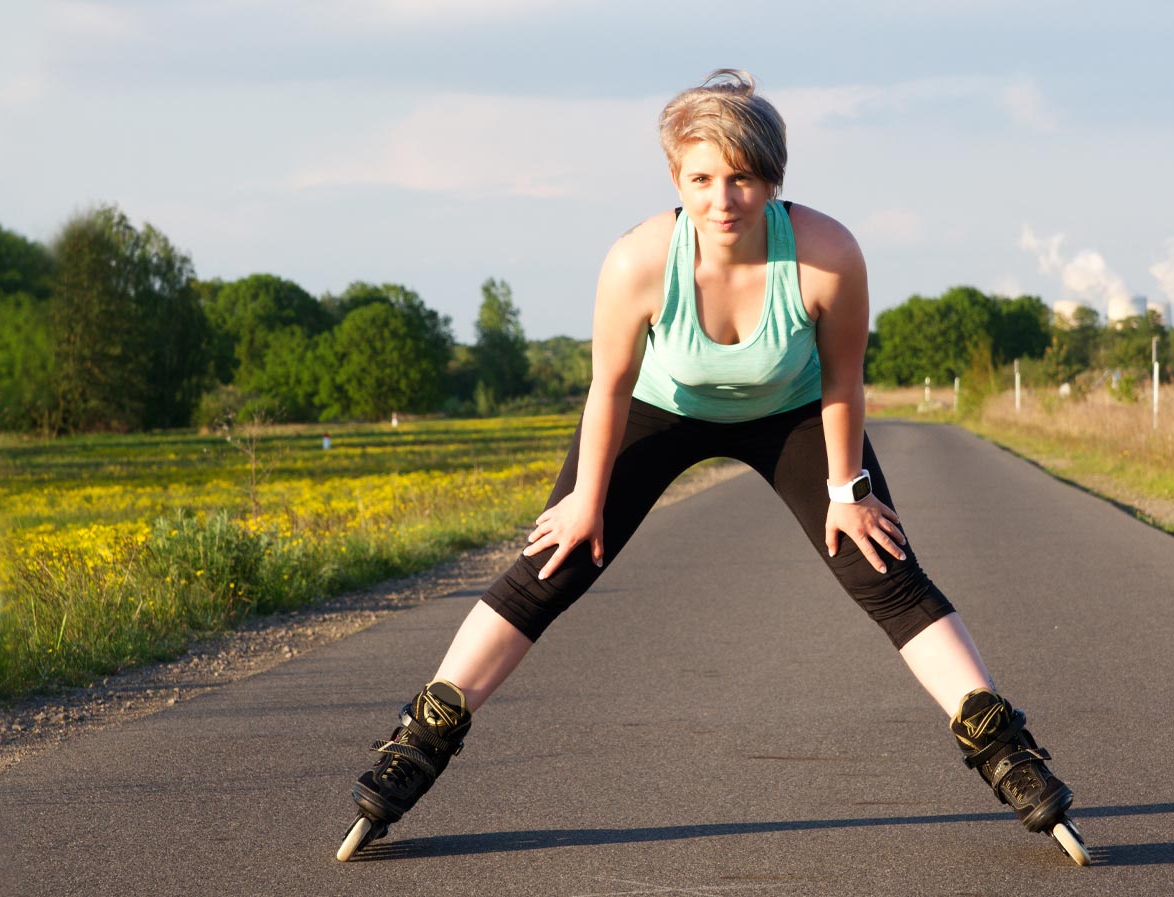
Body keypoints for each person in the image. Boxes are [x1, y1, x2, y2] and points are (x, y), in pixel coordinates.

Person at [337, 69, 1087, 865]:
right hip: (662, 409)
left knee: (883, 563)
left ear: (772, 178)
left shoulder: (828, 254)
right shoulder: (637, 260)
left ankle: (1003, 747)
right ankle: (421, 738)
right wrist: (588, 496)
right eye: (701, 179)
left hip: (793, 411)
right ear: (675, 180)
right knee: (548, 561)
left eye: (742, 178)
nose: (721, 200)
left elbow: (843, 382)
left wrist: (848, 491)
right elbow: (611, 385)